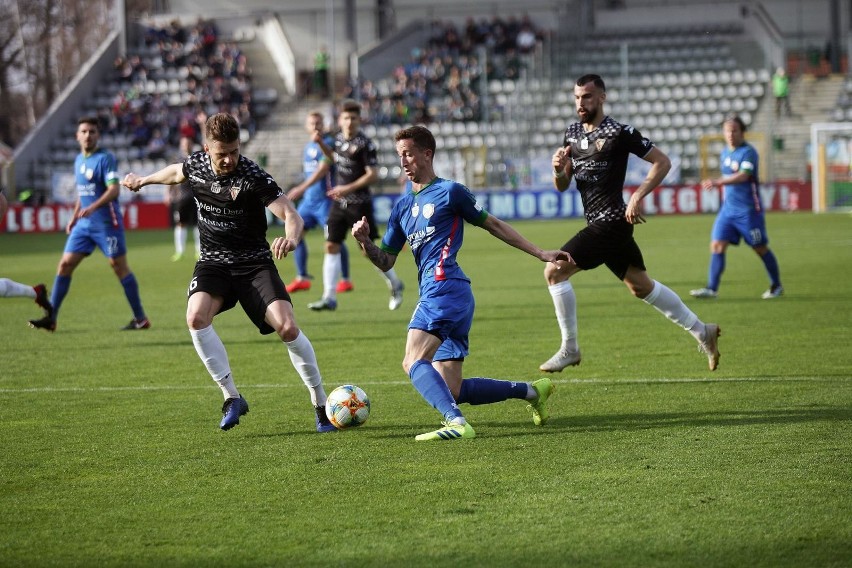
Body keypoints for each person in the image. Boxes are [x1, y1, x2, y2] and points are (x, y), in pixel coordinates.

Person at [352, 125, 570, 441]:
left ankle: (455, 422)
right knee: (451, 387)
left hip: (444, 288)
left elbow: (493, 224)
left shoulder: (450, 192)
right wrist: (364, 242)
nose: (404, 161)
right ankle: (532, 392)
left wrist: (539, 252)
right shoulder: (402, 208)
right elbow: (385, 260)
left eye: (409, 154)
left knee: (413, 360)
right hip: (449, 295)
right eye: (400, 155)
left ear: (427, 154)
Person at [121, 112, 336, 433]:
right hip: (214, 262)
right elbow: (176, 172)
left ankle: (320, 406)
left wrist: (291, 239)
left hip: (254, 263)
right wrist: (144, 179)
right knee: (195, 317)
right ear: (207, 149)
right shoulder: (196, 165)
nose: (230, 160)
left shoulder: (252, 176)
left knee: (288, 328)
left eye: (234, 151)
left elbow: (290, 212)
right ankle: (231, 396)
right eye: (222, 153)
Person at [542, 74, 721, 373]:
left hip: (611, 222)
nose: (580, 103)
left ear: (602, 97)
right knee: (641, 287)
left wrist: (638, 194)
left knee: (554, 271)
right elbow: (562, 185)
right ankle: (703, 331)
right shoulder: (571, 134)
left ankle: (570, 348)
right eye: (576, 97)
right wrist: (559, 171)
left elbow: (662, 161)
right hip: (605, 225)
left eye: (587, 96)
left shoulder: (619, 132)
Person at [29, 116, 150, 332]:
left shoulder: (105, 159)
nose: (87, 135)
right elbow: (82, 194)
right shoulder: (78, 161)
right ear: (77, 136)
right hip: (84, 225)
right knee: (65, 265)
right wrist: (75, 217)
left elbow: (114, 189)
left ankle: (140, 318)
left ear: (98, 135)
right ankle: (52, 317)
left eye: (92, 131)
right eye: (84, 131)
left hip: (106, 223)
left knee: (118, 267)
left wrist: (93, 207)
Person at [308, 99, 404, 312]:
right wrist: (321, 144)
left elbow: (373, 175)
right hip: (339, 203)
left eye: (353, 118)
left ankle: (395, 284)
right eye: (346, 117)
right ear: (340, 120)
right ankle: (329, 297)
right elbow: (334, 158)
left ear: (359, 120)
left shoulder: (365, 144)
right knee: (331, 245)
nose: (349, 121)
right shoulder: (338, 139)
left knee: (367, 251)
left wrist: (347, 188)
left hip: (359, 205)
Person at [691, 115, 783, 300]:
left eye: (734, 130)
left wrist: (718, 182)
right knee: (717, 245)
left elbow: (743, 176)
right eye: (727, 131)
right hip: (728, 211)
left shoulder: (748, 152)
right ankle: (711, 288)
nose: (730, 134)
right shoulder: (725, 152)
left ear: (742, 132)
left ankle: (776, 286)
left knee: (760, 247)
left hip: (748, 211)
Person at [285, 111, 353, 294]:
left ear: (323, 125)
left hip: (325, 201)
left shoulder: (327, 144)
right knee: (295, 235)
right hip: (308, 202)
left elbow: (323, 169)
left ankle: (346, 279)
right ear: (307, 126)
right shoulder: (307, 147)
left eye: (318, 123)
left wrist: (301, 187)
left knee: (334, 239)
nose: (315, 126)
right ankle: (302, 277)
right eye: (312, 123)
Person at [166, 136, 201, 262]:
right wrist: (168, 193)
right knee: (181, 223)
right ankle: (180, 251)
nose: (186, 145)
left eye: (188, 143)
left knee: (199, 224)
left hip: (197, 196)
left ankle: (199, 251)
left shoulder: (198, 158)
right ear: (181, 145)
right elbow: (170, 176)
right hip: (182, 196)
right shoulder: (177, 159)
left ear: (191, 144)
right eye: (184, 143)